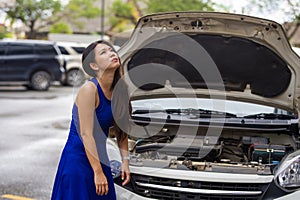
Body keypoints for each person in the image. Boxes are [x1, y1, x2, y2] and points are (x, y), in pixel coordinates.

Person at [51, 40, 130, 200]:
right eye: (103, 52)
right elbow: (86, 134)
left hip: (100, 159)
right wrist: (98, 172)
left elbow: (122, 130)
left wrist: (125, 162)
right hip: (78, 161)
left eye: (111, 50)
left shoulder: (120, 90)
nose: (111, 53)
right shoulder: (89, 90)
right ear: (94, 66)